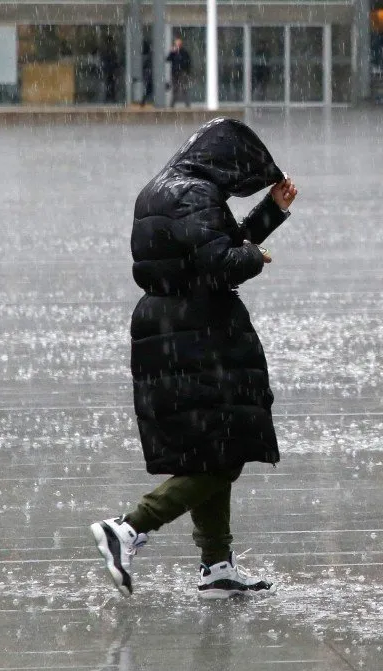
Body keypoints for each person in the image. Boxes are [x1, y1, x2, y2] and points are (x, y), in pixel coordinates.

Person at [90, 118, 299, 599]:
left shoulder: (162, 189)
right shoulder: (194, 194)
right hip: (198, 332)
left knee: (212, 447)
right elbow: (223, 262)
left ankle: (216, 567)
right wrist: (256, 258)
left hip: (171, 328)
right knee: (223, 453)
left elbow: (207, 247)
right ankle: (130, 527)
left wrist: (271, 212)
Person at [167, 37, 193, 107]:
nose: (177, 45)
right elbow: (168, 59)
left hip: (182, 73)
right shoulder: (173, 53)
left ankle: (187, 105)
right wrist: (172, 52)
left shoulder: (184, 52)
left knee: (184, 89)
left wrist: (186, 72)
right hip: (174, 73)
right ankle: (172, 105)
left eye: (178, 44)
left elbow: (187, 62)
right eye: (176, 44)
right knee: (175, 89)